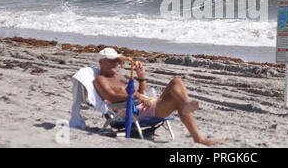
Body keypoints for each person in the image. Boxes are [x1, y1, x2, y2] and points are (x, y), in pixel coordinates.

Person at [93, 48, 222, 146]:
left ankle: (186, 104)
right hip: (128, 112)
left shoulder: (121, 78)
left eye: (117, 60)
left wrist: (141, 77)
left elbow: (140, 92)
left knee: (176, 81)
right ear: (101, 62)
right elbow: (111, 96)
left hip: (144, 103)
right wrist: (137, 96)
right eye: (111, 60)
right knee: (178, 101)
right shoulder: (100, 79)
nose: (115, 63)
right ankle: (198, 137)